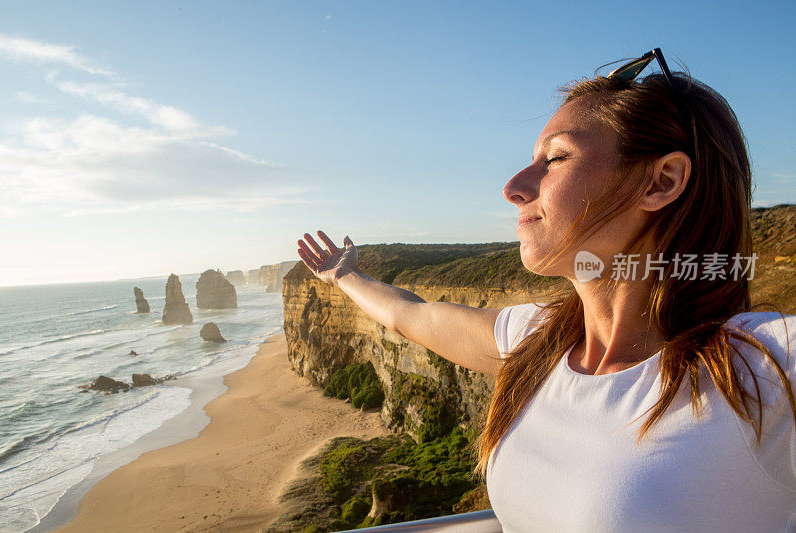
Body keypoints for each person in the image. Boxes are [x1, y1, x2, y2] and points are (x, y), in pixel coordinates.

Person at [296, 49, 796, 532]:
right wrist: (344, 275)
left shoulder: (765, 369)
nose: (513, 186)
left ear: (661, 181)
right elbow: (410, 315)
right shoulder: (537, 341)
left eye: (555, 158)